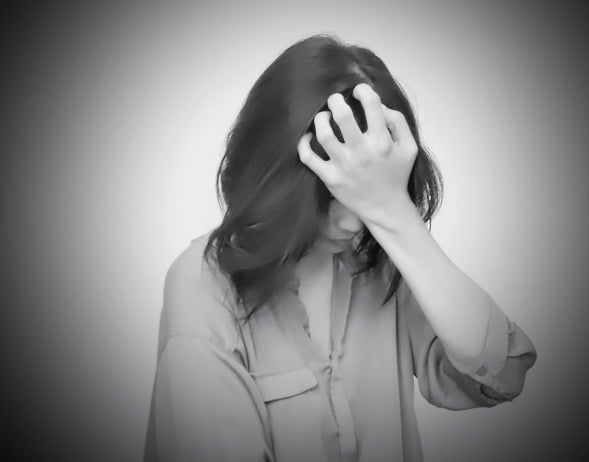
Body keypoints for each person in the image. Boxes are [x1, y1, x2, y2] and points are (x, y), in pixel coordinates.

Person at [143, 33, 537, 462]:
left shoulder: (380, 258)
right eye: (330, 193)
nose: (353, 222)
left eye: (365, 194)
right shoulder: (203, 289)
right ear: (278, 180)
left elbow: (503, 373)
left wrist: (396, 215)